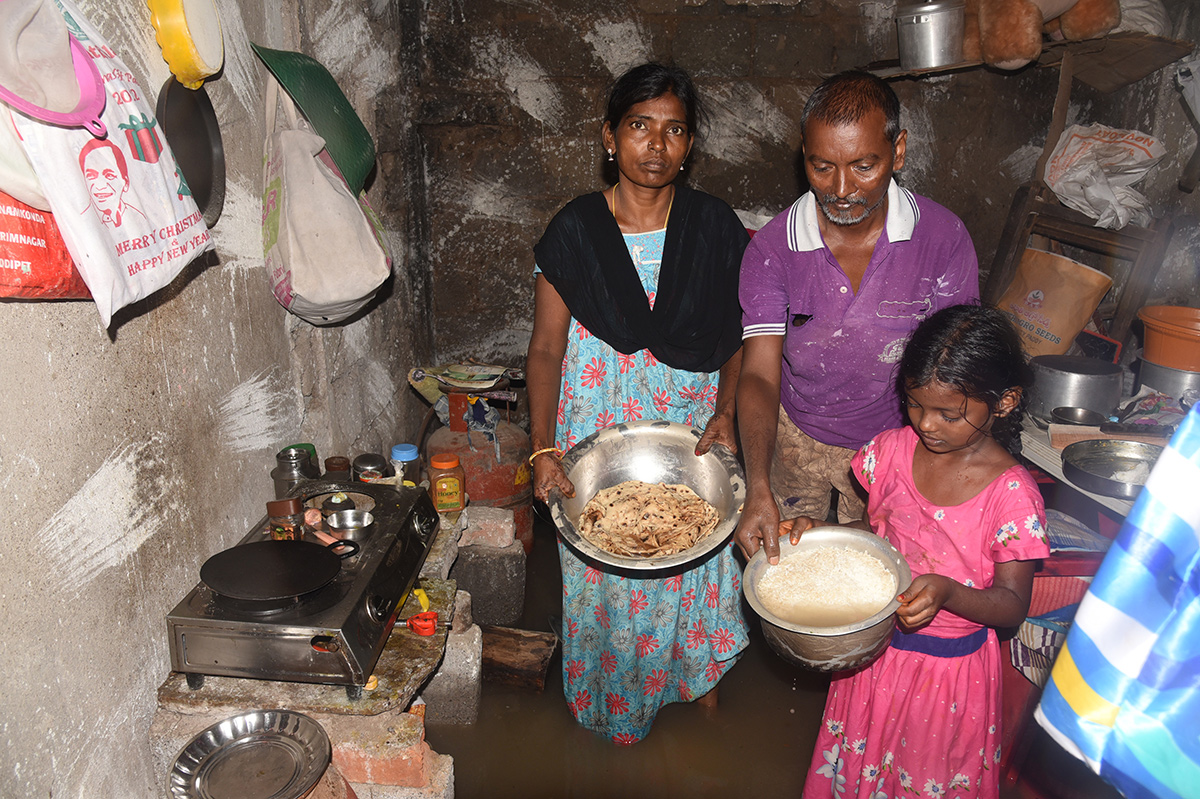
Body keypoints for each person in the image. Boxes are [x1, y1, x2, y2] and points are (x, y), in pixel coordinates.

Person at [526, 63, 751, 744]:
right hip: (595, 429)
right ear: (610, 137)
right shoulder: (574, 232)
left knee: (698, 554)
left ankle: (697, 684)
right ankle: (616, 708)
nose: (657, 144)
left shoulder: (715, 228)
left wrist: (728, 408)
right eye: (639, 126)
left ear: (690, 145)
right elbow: (544, 349)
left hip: (689, 426)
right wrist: (541, 447)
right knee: (608, 569)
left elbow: (745, 333)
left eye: (674, 129)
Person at [784, 304, 1050, 798]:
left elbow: (1012, 606)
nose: (927, 425)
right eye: (914, 404)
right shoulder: (890, 451)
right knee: (859, 769)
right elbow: (876, 529)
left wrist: (947, 592)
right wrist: (821, 534)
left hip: (946, 675)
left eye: (950, 414)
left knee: (922, 776)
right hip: (873, 653)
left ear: (1005, 401)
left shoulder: (1011, 497)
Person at [735, 70, 979, 565]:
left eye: (864, 166)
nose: (842, 188)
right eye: (821, 167)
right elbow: (759, 373)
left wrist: (933, 471)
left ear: (899, 152)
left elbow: (956, 370)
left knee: (881, 575)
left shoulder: (942, 239)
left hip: (902, 443)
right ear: (802, 155)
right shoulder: (772, 249)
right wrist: (757, 484)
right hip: (795, 436)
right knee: (794, 573)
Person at [78, 138, 146, 229]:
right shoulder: (80, 223)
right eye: (91, 176)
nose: (100, 186)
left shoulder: (141, 219)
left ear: (125, 183)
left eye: (109, 176)